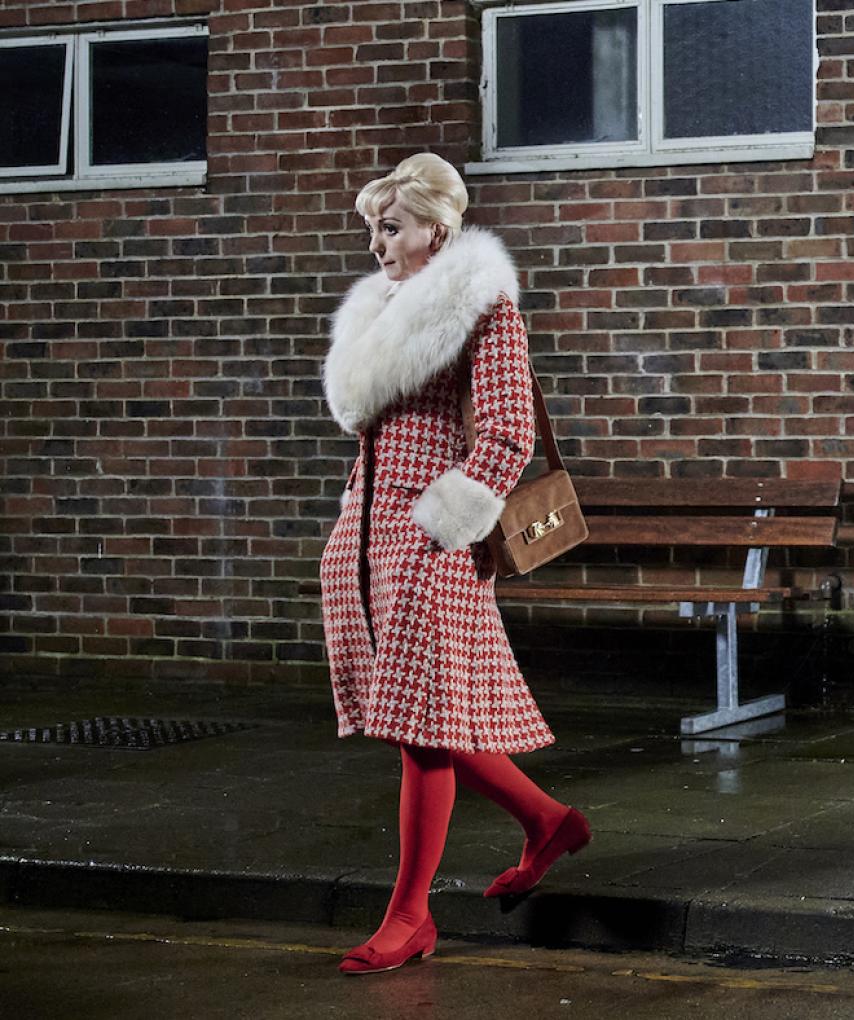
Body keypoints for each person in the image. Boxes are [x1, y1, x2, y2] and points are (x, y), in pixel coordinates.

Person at [319, 153, 590, 973]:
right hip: (368, 544)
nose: (378, 244)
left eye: (391, 227)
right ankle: (549, 822)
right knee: (418, 719)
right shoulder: (383, 314)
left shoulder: (482, 309)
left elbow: (506, 433)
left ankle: (409, 916)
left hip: (431, 541)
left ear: (437, 228)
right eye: (372, 227)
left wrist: (441, 527)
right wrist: (351, 530)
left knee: (424, 733)